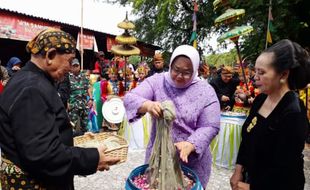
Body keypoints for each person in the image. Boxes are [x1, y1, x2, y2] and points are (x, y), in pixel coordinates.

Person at [0, 28, 120, 190]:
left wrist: (77, 139)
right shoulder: (31, 89)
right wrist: (93, 157)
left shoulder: (30, 80)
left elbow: (41, 133)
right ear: (50, 56)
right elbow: (43, 155)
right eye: (69, 61)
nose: (71, 68)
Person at [123, 44, 220, 187]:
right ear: (170, 66)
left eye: (187, 72)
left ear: (195, 71)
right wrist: (148, 105)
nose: (180, 76)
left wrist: (191, 144)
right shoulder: (157, 81)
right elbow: (130, 98)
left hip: (190, 161)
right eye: (176, 70)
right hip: (159, 157)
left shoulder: (206, 91)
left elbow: (210, 125)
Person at [230, 39, 310, 190]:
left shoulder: (293, 113)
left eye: (262, 72)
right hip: (250, 177)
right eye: (256, 71)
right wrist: (238, 170)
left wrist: (250, 187)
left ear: (283, 74)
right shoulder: (260, 100)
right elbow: (247, 138)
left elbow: (285, 171)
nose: (255, 78)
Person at [68, 58, 92, 134]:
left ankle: (86, 142)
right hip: (73, 104)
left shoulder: (84, 76)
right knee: (72, 125)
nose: (75, 67)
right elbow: (65, 91)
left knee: (86, 126)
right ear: (71, 67)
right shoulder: (68, 77)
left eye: (77, 66)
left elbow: (88, 87)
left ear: (79, 66)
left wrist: (91, 99)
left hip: (84, 104)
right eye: (74, 66)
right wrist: (67, 103)